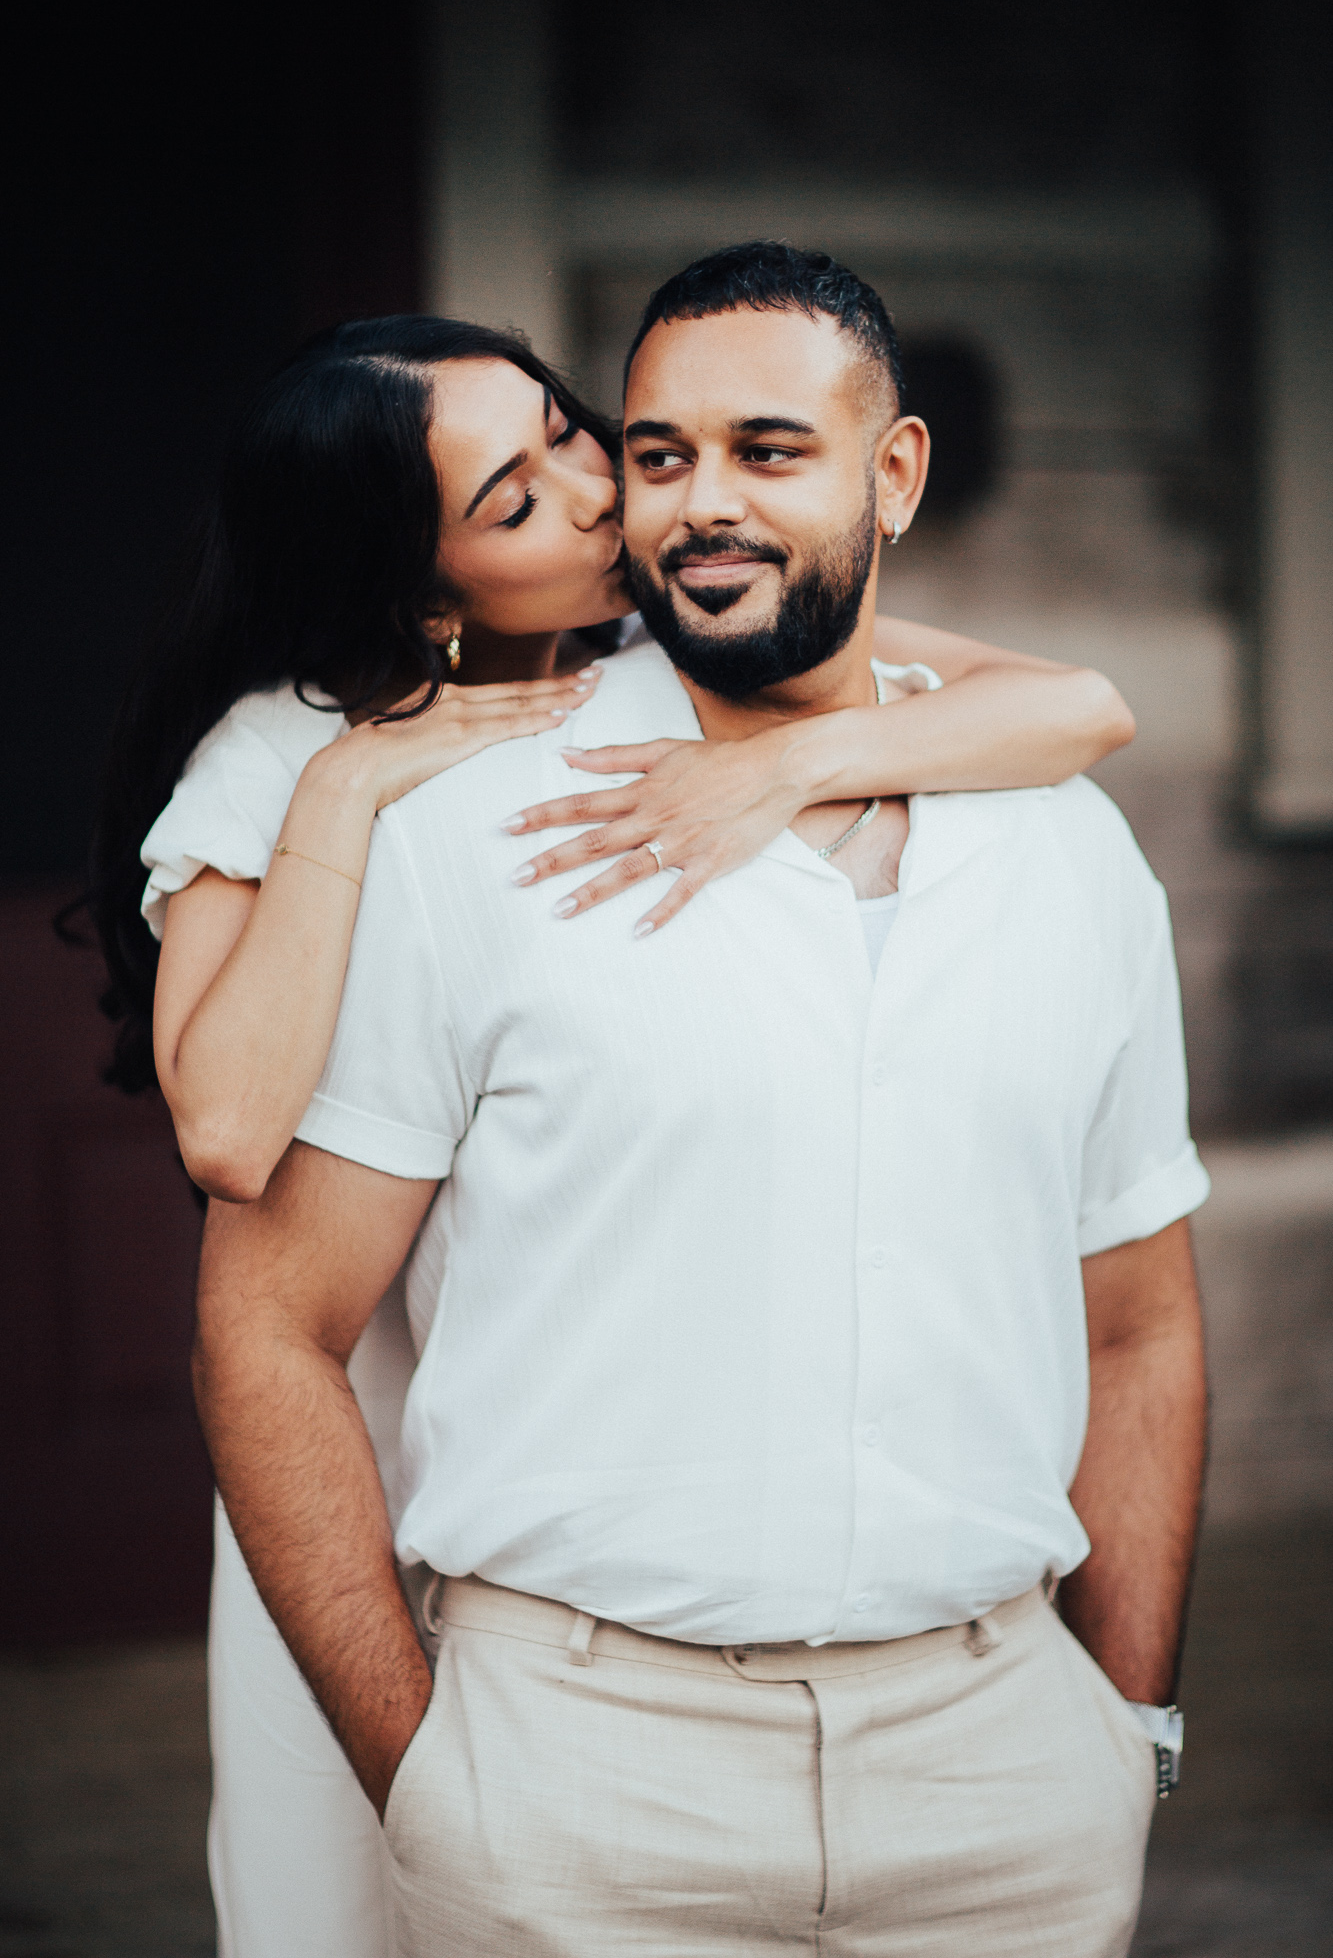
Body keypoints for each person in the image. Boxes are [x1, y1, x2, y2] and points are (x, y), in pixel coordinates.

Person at [97, 304, 1134, 1956]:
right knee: (353, 1888)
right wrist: (361, 787)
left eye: (569, 434)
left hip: (586, 1405)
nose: (596, 498)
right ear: (422, 585)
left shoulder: (663, 657)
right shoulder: (287, 744)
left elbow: (1078, 707)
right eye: (513, 499)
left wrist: (796, 769)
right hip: (367, 1428)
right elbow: (225, 1127)